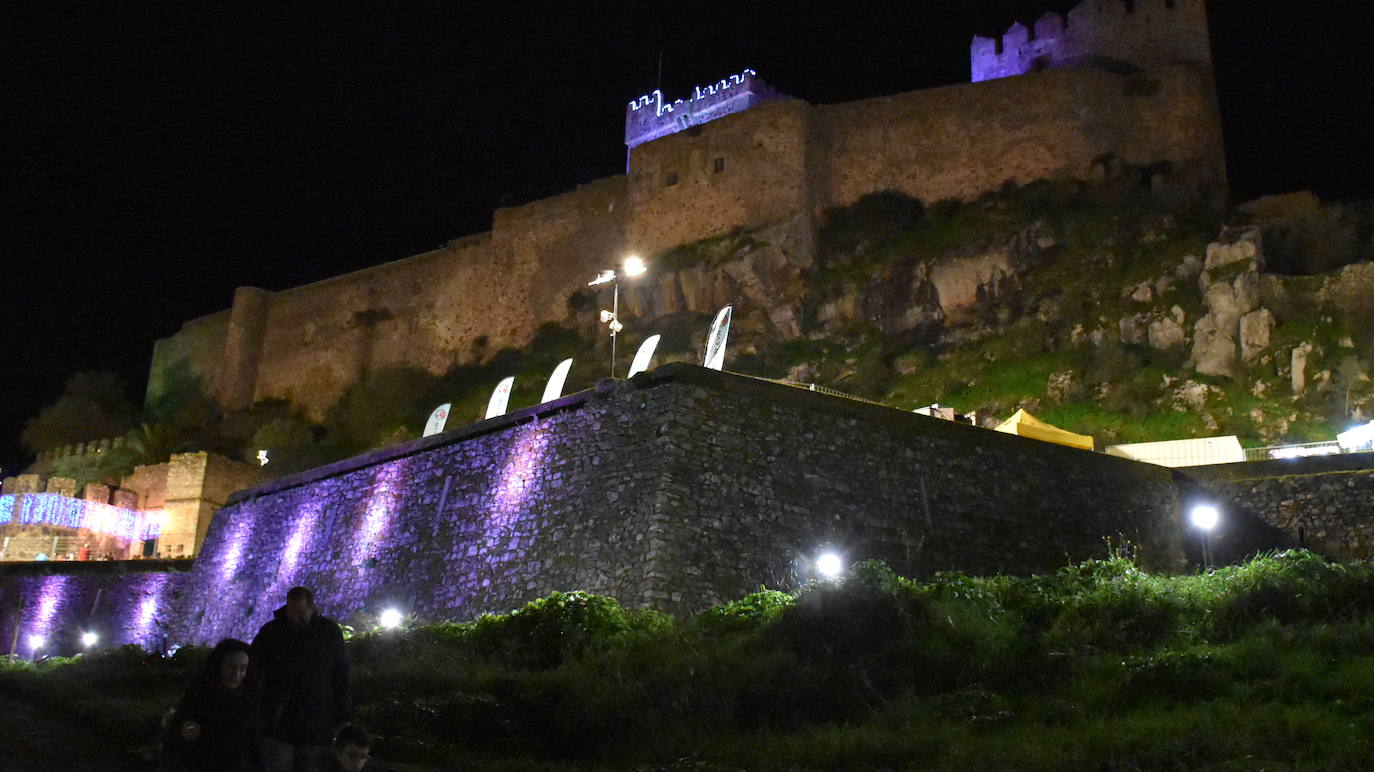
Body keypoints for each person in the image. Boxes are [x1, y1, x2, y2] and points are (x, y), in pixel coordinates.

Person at [251, 586, 352, 772]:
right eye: (292, 612)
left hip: (316, 720)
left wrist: (343, 716)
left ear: (312, 608)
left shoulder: (329, 632)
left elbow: (340, 674)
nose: (296, 618)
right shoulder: (271, 632)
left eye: (301, 613)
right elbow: (254, 669)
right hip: (280, 720)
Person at [164, 638, 257, 771]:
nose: (236, 674)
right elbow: (178, 734)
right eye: (231, 666)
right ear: (220, 665)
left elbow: (251, 742)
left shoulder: (247, 700)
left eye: (242, 668)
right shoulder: (199, 696)